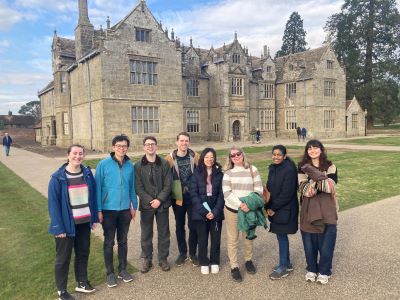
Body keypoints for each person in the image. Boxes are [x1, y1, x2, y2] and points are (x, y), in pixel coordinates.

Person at [48, 144, 98, 300]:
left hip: (84, 222)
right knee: (63, 258)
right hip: (66, 225)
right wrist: (58, 228)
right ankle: (61, 291)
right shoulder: (58, 177)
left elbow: (93, 197)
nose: (78, 156)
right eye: (75, 153)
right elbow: (53, 205)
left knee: (83, 253)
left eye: (81, 153)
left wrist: (94, 218)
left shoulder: (88, 174)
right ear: (68, 154)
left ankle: (81, 282)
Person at [95, 134, 137, 288]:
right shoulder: (103, 164)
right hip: (108, 210)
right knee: (108, 242)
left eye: (124, 146)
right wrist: (98, 210)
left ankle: (123, 270)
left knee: (123, 241)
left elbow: (132, 187)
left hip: (125, 209)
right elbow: (97, 188)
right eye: (119, 146)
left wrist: (134, 206)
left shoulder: (129, 165)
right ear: (113, 147)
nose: (121, 148)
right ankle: (110, 273)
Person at [298, 139, 338, 285]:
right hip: (308, 210)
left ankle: (325, 271)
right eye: (309, 148)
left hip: (327, 210)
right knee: (309, 245)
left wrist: (312, 175)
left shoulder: (331, 166)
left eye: (315, 148)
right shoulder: (301, 167)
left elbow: (330, 187)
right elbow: (306, 191)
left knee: (326, 246)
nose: (312, 150)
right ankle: (311, 269)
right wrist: (321, 177)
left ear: (321, 149)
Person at [222, 146, 263, 282]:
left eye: (238, 154)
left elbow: (258, 189)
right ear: (230, 158)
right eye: (232, 155)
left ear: (242, 154)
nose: (236, 156)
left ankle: (248, 260)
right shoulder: (228, 173)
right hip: (233, 210)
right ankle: (234, 266)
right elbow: (227, 193)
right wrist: (240, 205)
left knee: (248, 237)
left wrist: (248, 205)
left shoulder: (253, 170)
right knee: (233, 239)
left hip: (249, 210)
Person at [135, 136, 172, 273]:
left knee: (163, 232)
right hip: (146, 205)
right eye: (147, 144)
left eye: (152, 144)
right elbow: (138, 187)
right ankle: (147, 258)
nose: (150, 146)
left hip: (162, 205)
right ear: (144, 147)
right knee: (146, 233)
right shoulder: (138, 166)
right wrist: (150, 200)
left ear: (156, 146)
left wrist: (159, 199)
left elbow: (168, 185)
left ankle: (163, 259)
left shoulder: (164, 163)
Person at [165, 132, 200, 267]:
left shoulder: (195, 156)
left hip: (192, 197)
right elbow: (164, 177)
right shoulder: (169, 159)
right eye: (181, 141)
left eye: (186, 141)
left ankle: (192, 253)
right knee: (179, 226)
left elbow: (203, 170)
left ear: (189, 142)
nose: (184, 143)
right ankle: (182, 252)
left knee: (193, 226)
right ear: (177, 142)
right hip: (178, 198)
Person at [265, 145, 299, 280]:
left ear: (284, 156)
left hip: (285, 208)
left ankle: (283, 267)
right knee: (281, 236)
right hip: (276, 207)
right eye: (274, 154)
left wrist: (272, 207)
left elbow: (287, 193)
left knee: (282, 237)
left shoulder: (289, 169)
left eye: (279, 155)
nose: (276, 157)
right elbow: (269, 187)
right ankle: (287, 263)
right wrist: (267, 204)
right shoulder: (273, 168)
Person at [190, 148, 224, 275]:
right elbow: (193, 194)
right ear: (202, 158)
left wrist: (215, 211)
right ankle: (204, 261)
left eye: (212, 157)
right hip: (200, 212)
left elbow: (222, 195)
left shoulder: (220, 174)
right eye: (207, 157)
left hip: (216, 211)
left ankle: (215, 261)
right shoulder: (196, 173)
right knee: (202, 239)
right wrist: (204, 211)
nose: (209, 159)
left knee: (216, 238)